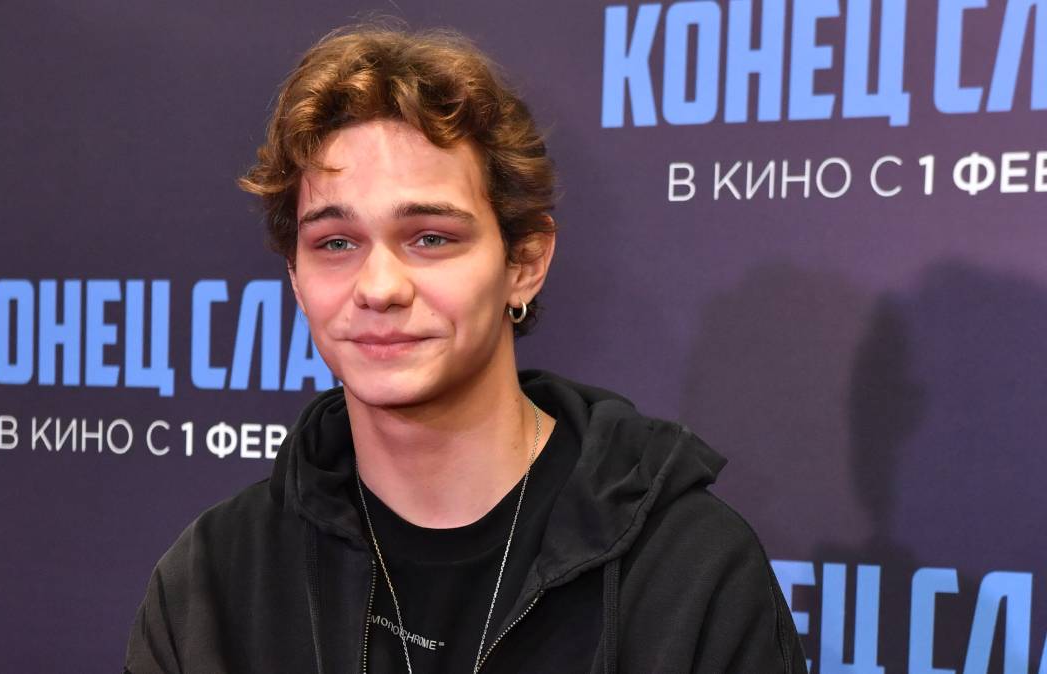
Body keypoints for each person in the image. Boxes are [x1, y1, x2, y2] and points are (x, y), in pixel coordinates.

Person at [125, 24, 808, 674]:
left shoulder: (688, 573)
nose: (379, 287)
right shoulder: (212, 581)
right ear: (298, 282)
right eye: (335, 243)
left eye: (430, 238)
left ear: (525, 262)